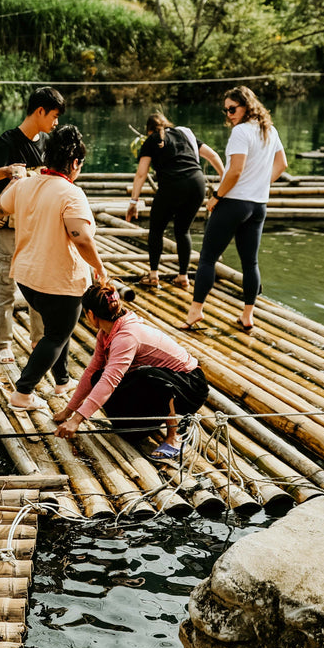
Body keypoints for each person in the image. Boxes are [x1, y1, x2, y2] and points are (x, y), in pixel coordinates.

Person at [0, 125, 108, 411]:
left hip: (27, 277)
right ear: (75, 163)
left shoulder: (26, 184)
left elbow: (2, 205)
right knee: (57, 335)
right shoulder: (71, 193)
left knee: (57, 329)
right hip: (59, 281)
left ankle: (62, 382)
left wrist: (17, 179)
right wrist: (99, 267)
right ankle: (23, 393)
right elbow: (80, 237)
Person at [51, 280, 208, 459]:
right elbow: (92, 372)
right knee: (98, 377)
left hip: (190, 385)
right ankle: (145, 422)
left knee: (147, 376)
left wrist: (76, 420)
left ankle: (174, 436)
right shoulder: (105, 333)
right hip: (160, 380)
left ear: (91, 314)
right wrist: (68, 411)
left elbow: (110, 381)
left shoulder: (126, 337)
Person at [180, 86, 287, 333]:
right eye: (226, 110)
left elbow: (236, 170)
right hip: (258, 205)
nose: (228, 114)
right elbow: (282, 164)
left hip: (234, 202)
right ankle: (247, 316)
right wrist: (261, 183)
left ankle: (195, 312)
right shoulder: (270, 130)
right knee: (250, 263)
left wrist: (217, 196)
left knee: (207, 258)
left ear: (246, 106)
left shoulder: (241, 131)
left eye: (232, 109)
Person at [0, 87, 65, 364]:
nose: (56, 122)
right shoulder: (8, 141)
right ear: (40, 111)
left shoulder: (48, 143)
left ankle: (38, 339)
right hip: (8, 229)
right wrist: (6, 171)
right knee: (5, 287)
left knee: (40, 287)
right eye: (54, 116)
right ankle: (3, 345)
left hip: (38, 229)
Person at [127, 112, 225, 289]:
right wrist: (224, 182)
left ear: (149, 130)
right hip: (197, 184)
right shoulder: (185, 135)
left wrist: (133, 202)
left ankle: (153, 275)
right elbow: (213, 156)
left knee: (156, 229)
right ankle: (183, 277)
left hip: (172, 185)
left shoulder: (151, 140)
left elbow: (141, 173)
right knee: (183, 230)